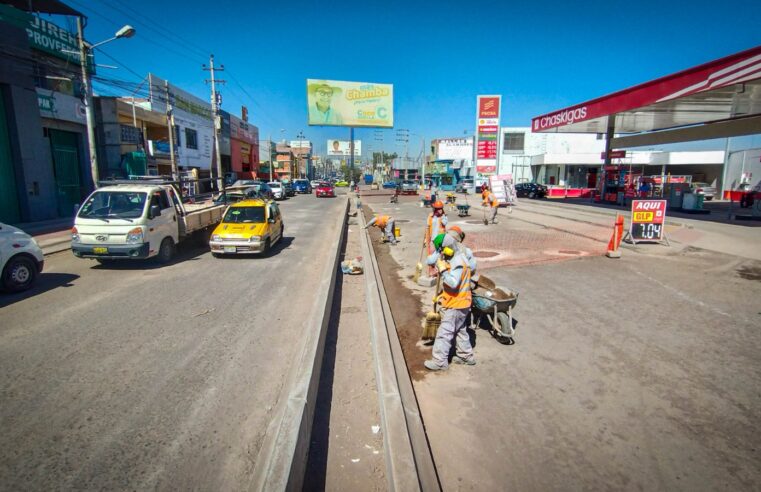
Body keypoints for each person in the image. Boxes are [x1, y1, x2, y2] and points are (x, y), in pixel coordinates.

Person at [424, 233, 475, 371]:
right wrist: (440, 295)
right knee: (460, 330)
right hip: (461, 303)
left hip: (456, 304)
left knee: (444, 333)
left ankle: (439, 362)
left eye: (441, 250)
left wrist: (443, 270)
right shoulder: (459, 257)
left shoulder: (458, 262)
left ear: (447, 248)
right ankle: (466, 356)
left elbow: (453, 283)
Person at [424, 200, 448, 274]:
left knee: (439, 256)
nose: (440, 210)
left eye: (441, 208)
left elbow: (445, 223)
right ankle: (431, 271)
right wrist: (425, 239)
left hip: (440, 240)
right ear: (435, 209)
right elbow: (427, 227)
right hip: (432, 240)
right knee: (431, 256)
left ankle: (438, 271)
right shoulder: (431, 216)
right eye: (438, 209)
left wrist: (442, 215)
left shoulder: (444, 216)